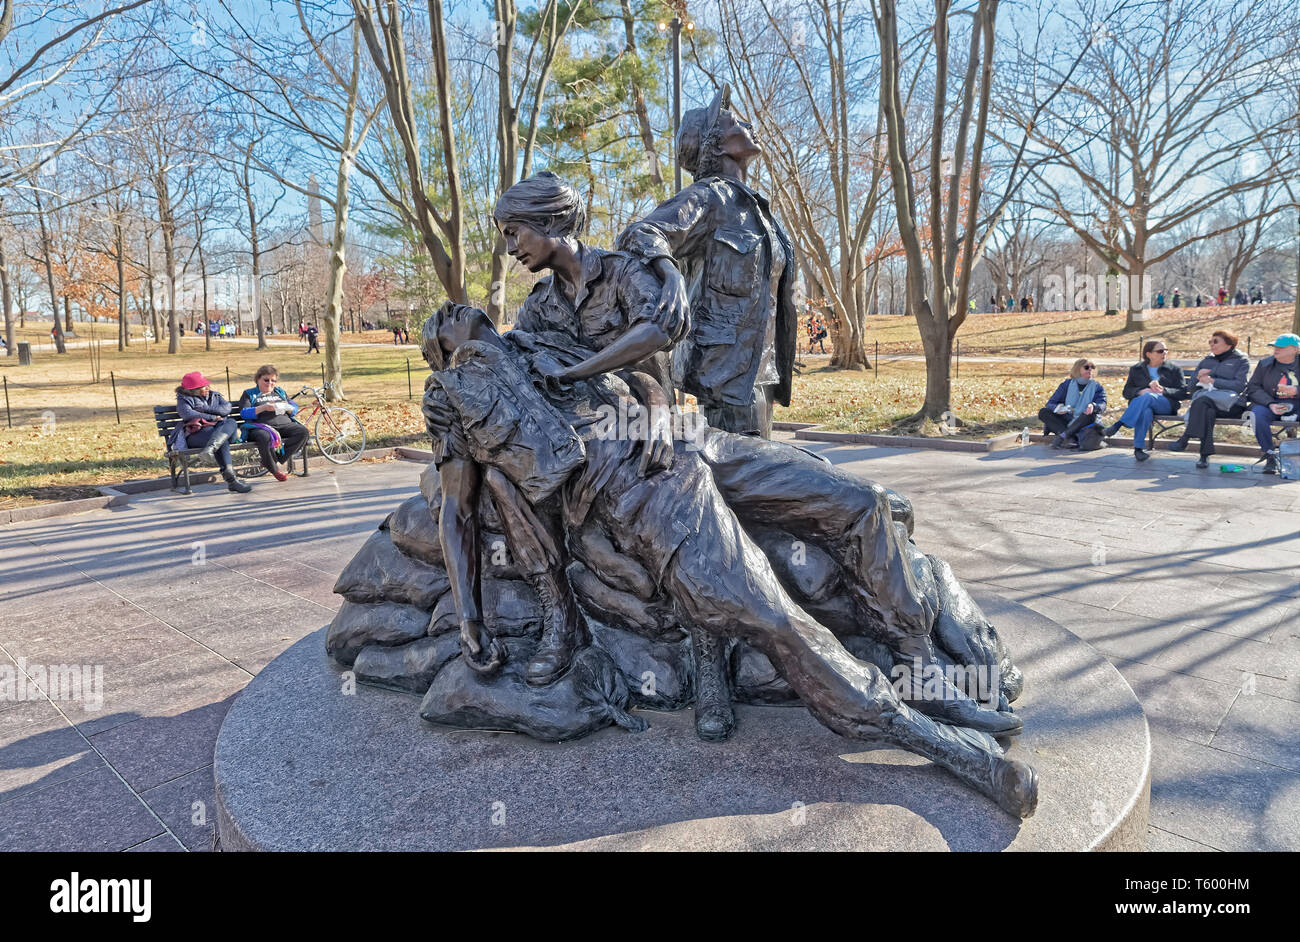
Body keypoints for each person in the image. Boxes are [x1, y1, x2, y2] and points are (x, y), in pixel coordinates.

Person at [422, 301, 1038, 818]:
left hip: (693, 441)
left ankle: (918, 670)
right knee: (774, 620)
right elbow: (456, 511)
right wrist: (472, 618)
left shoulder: (541, 339)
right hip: (644, 492)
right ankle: (948, 748)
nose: (450, 310)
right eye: (437, 322)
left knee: (862, 504)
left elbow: (647, 380)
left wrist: (661, 416)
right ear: (438, 354)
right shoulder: (451, 395)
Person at [617, 83, 796, 440]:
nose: (748, 125)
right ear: (717, 143)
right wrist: (669, 275)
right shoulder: (709, 198)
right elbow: (640, 233)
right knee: (743, 484)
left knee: (761, 482)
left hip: (758, 375)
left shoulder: (755, 210)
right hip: (723, 376)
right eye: (735, 123)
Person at [1168, 330, 1250, 468]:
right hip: (1207, 404)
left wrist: (1213, 381)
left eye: (1216, 341)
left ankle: (1185, 438)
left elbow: (1239, 386)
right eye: (1210, 342)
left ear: (1229, 344)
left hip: (1232, 405)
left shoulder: (1241, 360)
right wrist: (1198, 377)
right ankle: (1204, 456)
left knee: (1202, 402)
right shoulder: (1207, 360)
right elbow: (1192, 389)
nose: (1212, 344)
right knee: (1206, 410)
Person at [1103, 339, 1188, 461]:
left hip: (1166, 405)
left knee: (1148, 397)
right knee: (1145, 410)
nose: (1164, 353)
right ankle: (1138, 450)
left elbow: (1182, 392)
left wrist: (1164, 390)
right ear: (1148, 354)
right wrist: (1139, 391)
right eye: (1160, 351)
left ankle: (1118, 425)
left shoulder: (1174, 369)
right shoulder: (1136, 369)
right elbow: (1126, 392)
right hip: (1143, 405)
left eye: (1165, 350)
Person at [172, 371, 252, 493]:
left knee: (230, 422)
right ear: (194, 389)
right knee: (221, 440)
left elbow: (226, 409)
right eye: (204, 386)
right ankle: (231, 480)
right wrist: (213, 417)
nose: (208, 388)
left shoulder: (215, 395)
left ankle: (210, 449)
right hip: (197, 434)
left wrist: (206, 409)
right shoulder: (184, 399)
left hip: (220, 430)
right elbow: (187, 414)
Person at [236, 365, 311, 481]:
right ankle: (274, 469)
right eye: (266, 380)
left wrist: (289, 408)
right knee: (265, 436)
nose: (270, 383)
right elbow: (244, 413)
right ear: (258, 379)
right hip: (261, 427)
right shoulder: (249, 394)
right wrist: (264, 408)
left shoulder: (279, 392)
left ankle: (272, 460)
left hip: (285, 425)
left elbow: (294, 407)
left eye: (273, 380)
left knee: (303, 432)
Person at [1243, 333, 1299, 474]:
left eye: (1282, 347)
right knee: (1257, 415)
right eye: (1275, 346)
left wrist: (1296, 390)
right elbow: (1253, 388)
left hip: (1297, 406)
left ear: (1295, 349)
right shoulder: (1265, 364)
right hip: (1272, 404)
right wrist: (1270, 404)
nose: (1276, 349)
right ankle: (1270, 455)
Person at [1038, 358, 1107, 449]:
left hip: (1084, 421)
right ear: (1077, 369)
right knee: (1043, 412)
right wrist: (1058, 409)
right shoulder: (1066, 384)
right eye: (1086, 367)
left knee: (1091, 415)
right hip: (1067, 417)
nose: (1090, 369)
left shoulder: (1098, 387)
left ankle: (1063, 437)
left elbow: (1102, 404)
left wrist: (1093, 406)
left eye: (1092, 367)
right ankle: (1070, 439)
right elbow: (1050, 403)